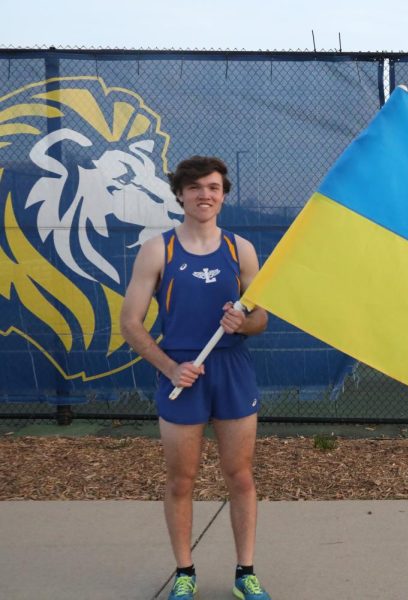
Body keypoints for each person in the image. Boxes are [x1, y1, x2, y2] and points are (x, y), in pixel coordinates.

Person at [121, 156, 271, 600]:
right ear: (180, 194)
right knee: (180, 480)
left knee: (239, 475)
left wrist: (244, 323)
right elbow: (131, 322)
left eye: (213, 187)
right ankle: (184, 571)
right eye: (195, 187)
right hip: (181, 372)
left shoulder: (240, 249)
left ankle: (246, 573)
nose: (205, 194)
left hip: (232, 370)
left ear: (223, 195)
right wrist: (170, 367)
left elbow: (262, 315)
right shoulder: (158, 249)